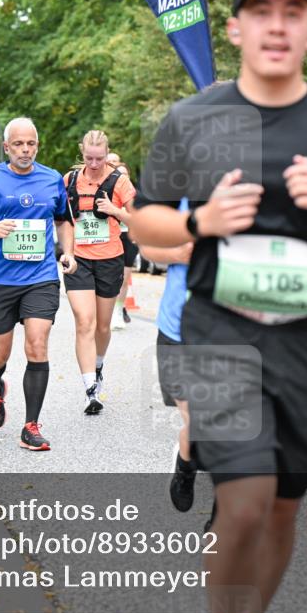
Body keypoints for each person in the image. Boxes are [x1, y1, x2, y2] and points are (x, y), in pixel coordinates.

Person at [130, 0, 307, 613]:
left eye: (292, 12)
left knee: (281, 506)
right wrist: (201, 222)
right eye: (261, 11)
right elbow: (145, 223)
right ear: (235, 28)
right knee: (243, 502)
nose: (276, 24)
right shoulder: (193, 119)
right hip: (219, 330)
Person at [0, 116, 77, 451]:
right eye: (19, 144)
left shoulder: (52, 179)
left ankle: (31, 426)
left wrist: (68, 251)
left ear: (38, 145)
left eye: (31, 144)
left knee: (37, 345)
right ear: (6, 147)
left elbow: (64, 221)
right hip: (0, 279)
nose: (25, 150)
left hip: (41, 278)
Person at [62, 130, 136, 415]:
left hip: (110, 259)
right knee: (84, 322)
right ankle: (90, 388)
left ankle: (98, 365)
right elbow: (64, 219)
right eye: (89, 158)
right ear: (82, 152)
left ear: (107, 154)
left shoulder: (120, 181)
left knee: (103, 326)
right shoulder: (69, 180)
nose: (94, 164)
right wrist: (68, 251)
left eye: (99, 158)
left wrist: (115, 210)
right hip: (79, 260)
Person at [138, 198, 195, 512]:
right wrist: (178, 254)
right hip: (178, 328)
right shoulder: (179, 196)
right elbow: (146, 245)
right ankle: (187, 465)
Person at [106, 152, 138, 329]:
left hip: (129, 236)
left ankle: (118, 311)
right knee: (111, 276)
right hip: (112, 235)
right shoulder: (107, 189)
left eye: (125, 174)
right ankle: (108, 311)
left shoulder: (134, 194)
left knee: (125, 278)